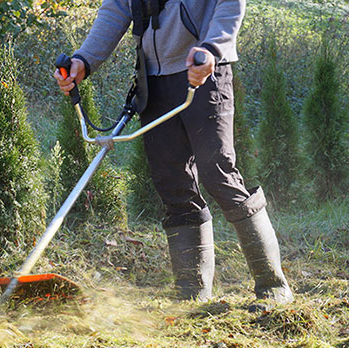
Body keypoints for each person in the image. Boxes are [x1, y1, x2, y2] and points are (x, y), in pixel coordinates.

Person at [54, 0, 293, 308]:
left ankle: (273, 286)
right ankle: (191, 293)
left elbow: (230, 4)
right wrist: (84, 60)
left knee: (218, 174)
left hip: (204, 69)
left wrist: (213, 48)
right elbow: (116, 8)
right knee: (172, 182)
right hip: (153, 80)